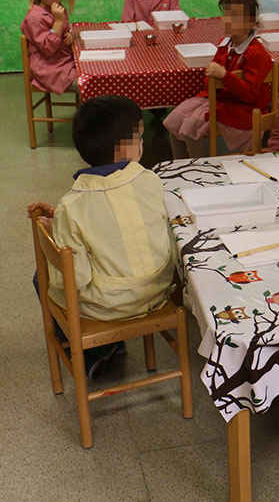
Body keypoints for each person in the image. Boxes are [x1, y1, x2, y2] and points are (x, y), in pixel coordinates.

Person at [28, 95, 175, 379]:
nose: (143, 143)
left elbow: (78, 278)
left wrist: (54, 230)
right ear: (124, 149)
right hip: (158, 290)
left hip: (110, 306)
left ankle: (94, 352)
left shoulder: (73, 204)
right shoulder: (150, 180)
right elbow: (120, 220)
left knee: (40, 277)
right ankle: (110, 346)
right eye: (139, 138)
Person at [163, 0, 270, 157]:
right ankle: (180, 164)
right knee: (174, 120)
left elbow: (251, 95)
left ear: (251, 22)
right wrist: (216, 79)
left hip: (244, 110)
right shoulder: (224, 44)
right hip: (220, 100)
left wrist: (224, 76)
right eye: (226, 15)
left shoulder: (256, 54)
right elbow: (209, 80)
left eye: (234, 16)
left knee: (191, 127)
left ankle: (199, 165)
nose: (227, 20)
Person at [21, 0, 77, 94]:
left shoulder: (57, 9)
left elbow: (62, 33)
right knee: (87, 84)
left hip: (64, 62)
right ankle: (89, 107)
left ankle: (89, 106)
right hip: (50, 69)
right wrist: (58, 22)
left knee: (93, 73)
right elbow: (48, 49)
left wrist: (68, 35)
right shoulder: (34, 17)